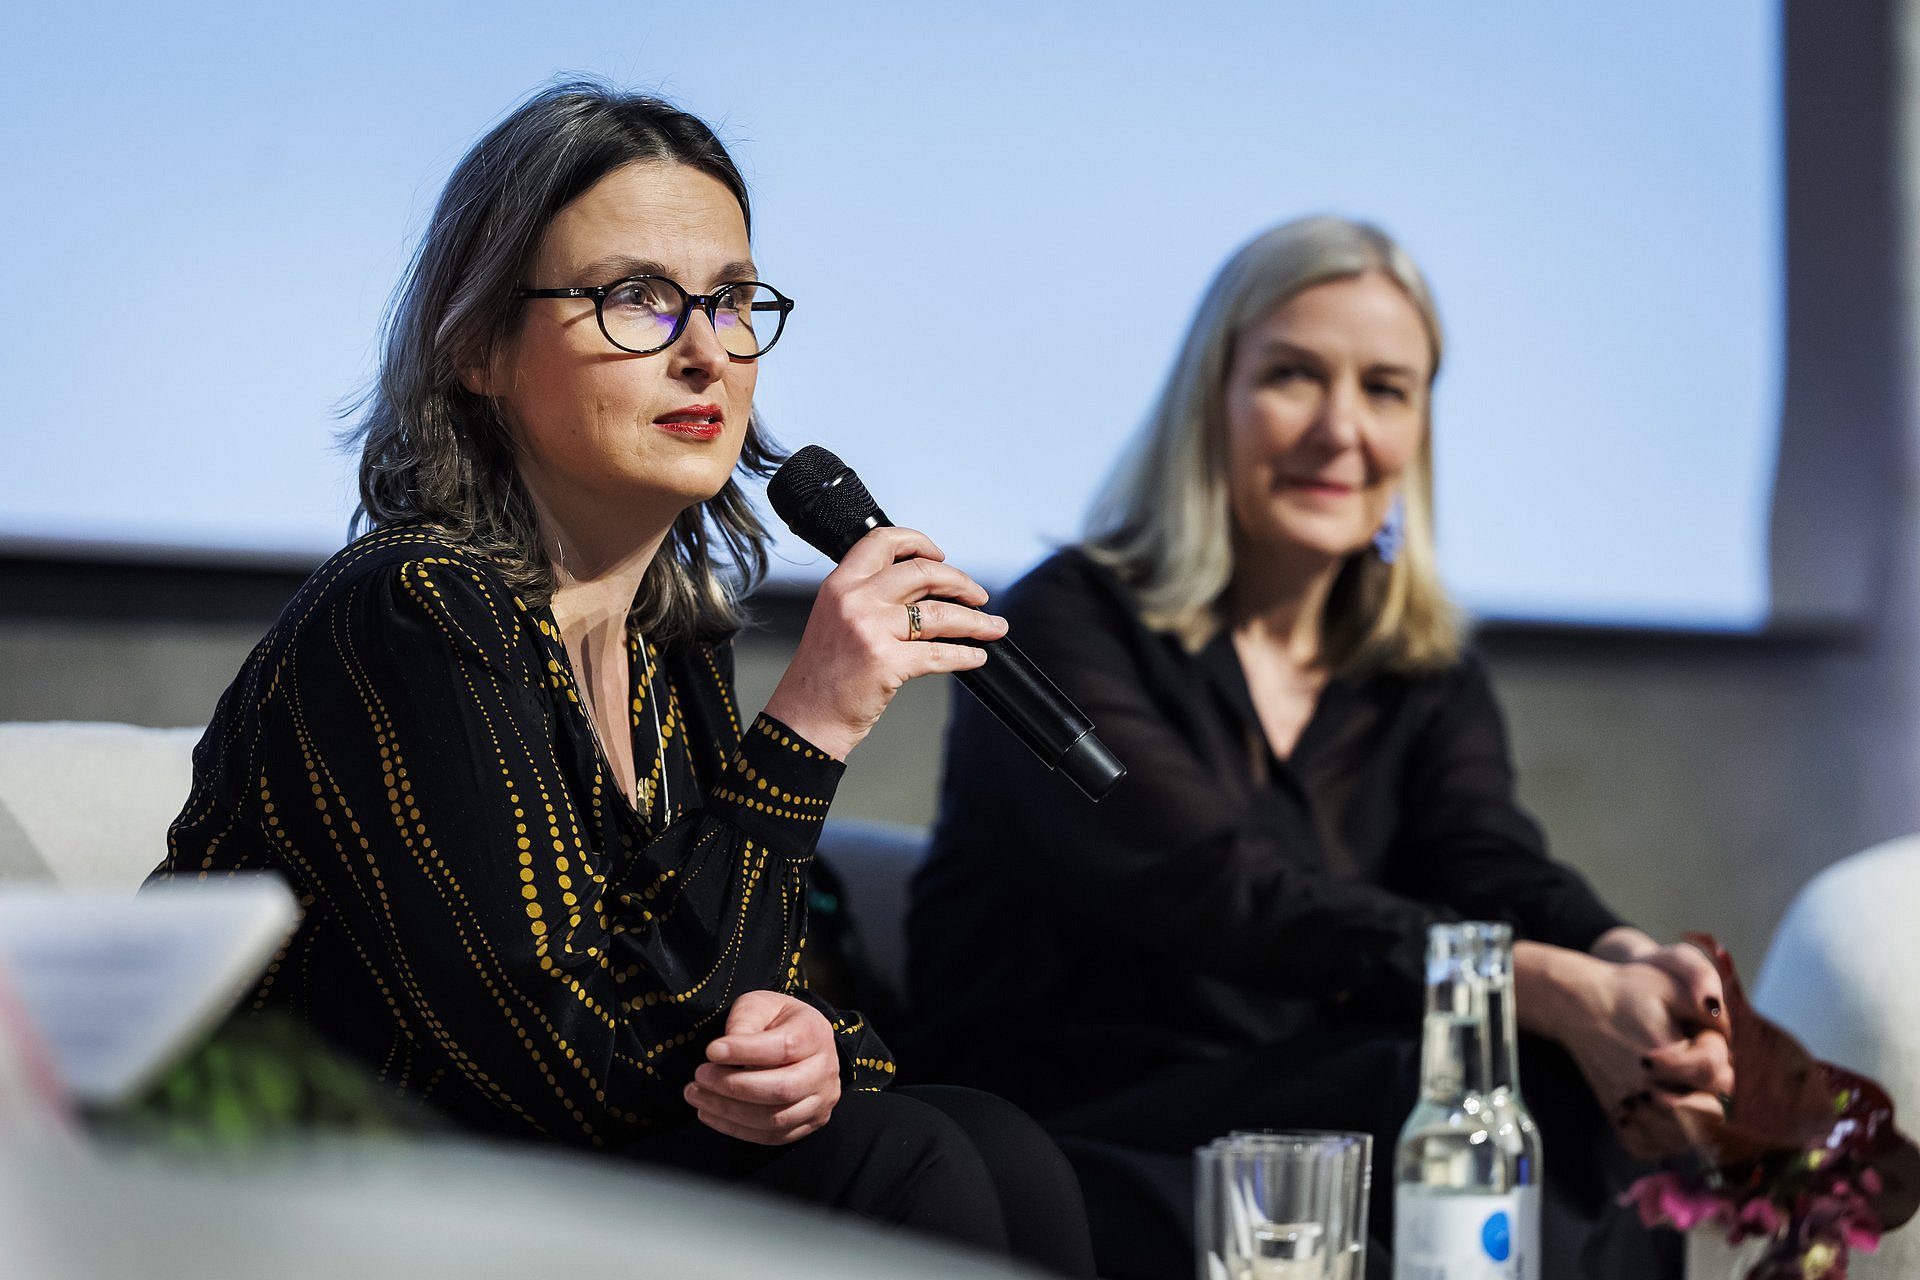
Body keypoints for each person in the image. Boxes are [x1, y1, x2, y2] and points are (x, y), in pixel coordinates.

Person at [151, 80, 1093, 1276]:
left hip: (522, 1190)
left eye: (734, 300)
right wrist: (805, 729)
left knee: (994, 1139)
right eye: (636, 299)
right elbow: (569, 1062)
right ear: (477, 345)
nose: (706, 350)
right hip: (292, 1209)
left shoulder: (665, 647)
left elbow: (746, 985)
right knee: (900, 1161)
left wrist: (808, 1049)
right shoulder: (412, 607)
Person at [906, 216, 1732, 1280]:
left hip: (1325, 1134)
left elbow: (1495, 861)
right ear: (1213, 397)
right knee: (1449, 1077)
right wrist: (1550, 988)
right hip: (1078, 1148)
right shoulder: (1061, 626)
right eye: (1294, 376)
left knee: (1540, 1093)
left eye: (1386, 388)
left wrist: (1626, 961)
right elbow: (1225, 889)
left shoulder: (1421, 670)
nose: (1341, 429)